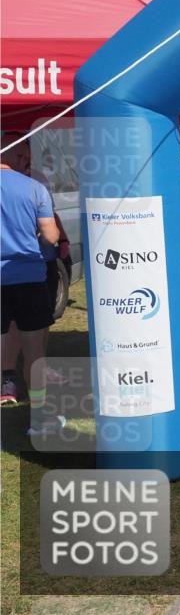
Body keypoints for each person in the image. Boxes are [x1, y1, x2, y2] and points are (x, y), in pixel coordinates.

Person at [0, 134, 63, 433]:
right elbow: (50, 236)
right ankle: (40, 420)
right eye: (23, 157)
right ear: (13, 156)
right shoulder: (34, 188)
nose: (26, 161)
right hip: (28, 276)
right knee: (34, 352)